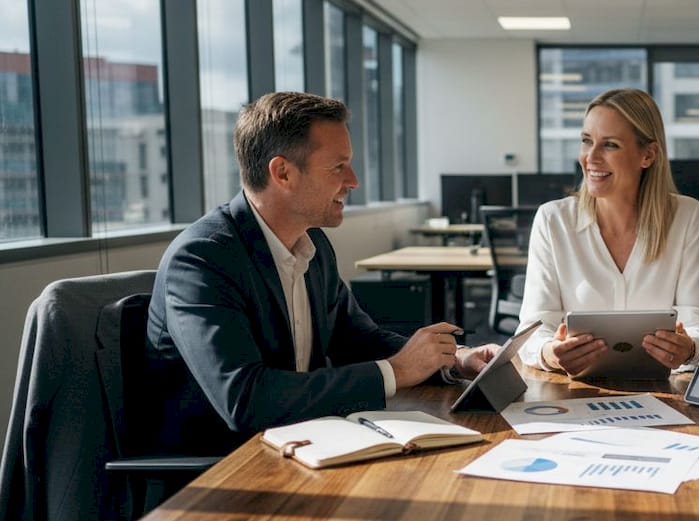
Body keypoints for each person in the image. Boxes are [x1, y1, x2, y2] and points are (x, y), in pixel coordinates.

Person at [147, 91, 498, 455]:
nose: (354, 181)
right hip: (223, 472)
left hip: (307, 442)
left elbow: (359, 341)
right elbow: (244, 398)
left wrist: (453, 360)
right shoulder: (203, 259)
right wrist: (394, 372)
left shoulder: (312, 244)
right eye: (338, 167)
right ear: (282, 172)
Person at [519, 88, 699, 376]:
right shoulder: (553, 220)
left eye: (609, 145)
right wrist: (549, 353)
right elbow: (532, 330)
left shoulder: (686, 217)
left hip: (665, 390)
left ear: (647, 155)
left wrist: (689, 348)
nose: (591, 157)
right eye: (587, 141)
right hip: (574, 392)